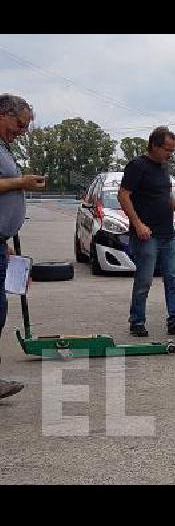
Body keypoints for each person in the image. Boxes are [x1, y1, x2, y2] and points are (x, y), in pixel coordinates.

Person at [117, 126, 175, 337]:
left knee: (174, 278)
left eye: (173, 150)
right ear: (154, 145)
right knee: (144, 281)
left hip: (168, 234)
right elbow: (123, 195)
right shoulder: (137, 166)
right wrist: (138, 224)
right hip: (147, 235)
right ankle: (137, 321)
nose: (170, 154)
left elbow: (166, 195)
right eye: (167, 149)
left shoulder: (163, 168)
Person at [0, 94, 46, 399]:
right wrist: (21, 183)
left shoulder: (4, 148)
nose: (22, 131)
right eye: (20, 124)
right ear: (3, 113)